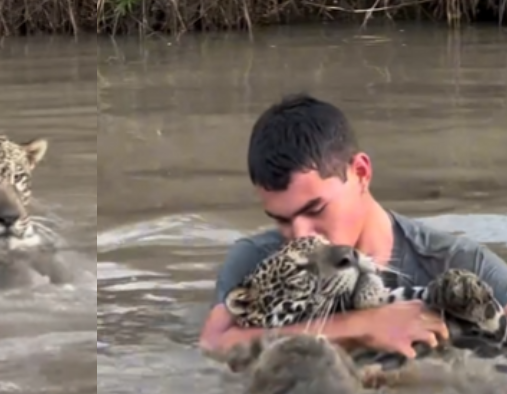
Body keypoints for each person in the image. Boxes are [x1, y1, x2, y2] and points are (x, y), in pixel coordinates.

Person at [199, 93, 507, 361]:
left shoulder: (463, 264)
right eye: (281, 220)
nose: (301, 235)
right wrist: (361, 329)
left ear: (360, 172)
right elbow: (213, 343)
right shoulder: (257, 261)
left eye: (315, 209)